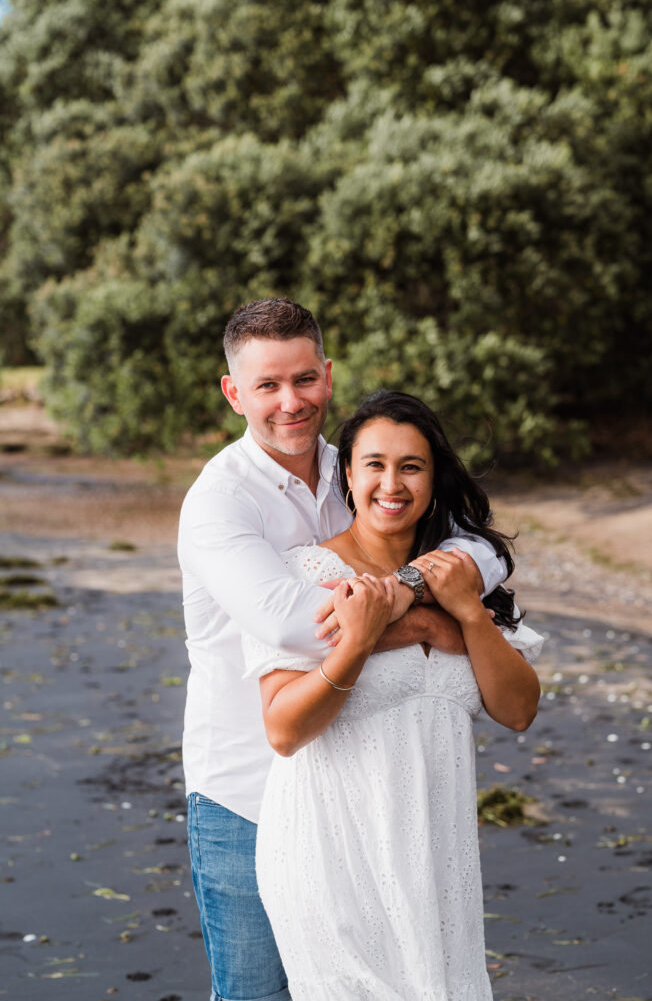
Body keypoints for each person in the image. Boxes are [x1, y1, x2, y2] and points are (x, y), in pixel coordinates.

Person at [178, 299, 509, 1001]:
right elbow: (297, 624)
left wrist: (416, 580)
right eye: (267, 385)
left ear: (327, 376)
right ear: (234, 392)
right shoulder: (219, 503)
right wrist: (431, 622)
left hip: (362, 787)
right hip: (245, 786)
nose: (290, 401)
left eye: (303, 379)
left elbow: (482, 549)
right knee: (256, 993)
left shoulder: (360, 466)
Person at [243, 390, 543, 1001]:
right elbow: (284, 730)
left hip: (437, 866)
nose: (392, 483)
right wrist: (354, 644)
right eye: (374, 464)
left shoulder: (464, 576)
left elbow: (518, 710)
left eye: (412, 466)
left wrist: (465, 613)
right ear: (347, 476)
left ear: (434, 479)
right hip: (331, 855)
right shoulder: (304, 577)